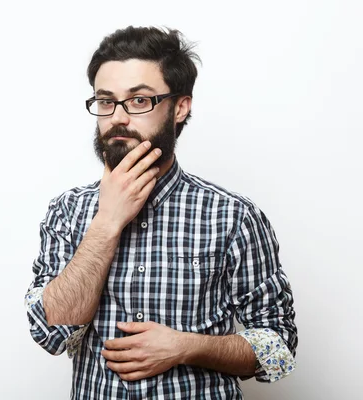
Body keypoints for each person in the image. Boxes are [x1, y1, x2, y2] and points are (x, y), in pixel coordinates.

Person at [24, 25, 298, 399]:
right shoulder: (68, 211)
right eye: (106, 101)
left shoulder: (232, 216)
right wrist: (106, 223)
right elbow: (50, 333)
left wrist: (187, 347)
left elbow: (277, 349)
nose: (118, 117)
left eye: (139, 101)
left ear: (180, 107)